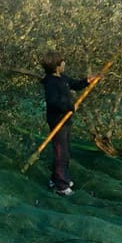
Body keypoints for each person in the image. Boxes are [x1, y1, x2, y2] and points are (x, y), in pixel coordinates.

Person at [40, 51, 94, 196]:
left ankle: (55, 178)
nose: (65, 63)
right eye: (62, 61)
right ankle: (61, 186)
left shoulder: (62, 77)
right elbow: (53, 102)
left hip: (66, 121)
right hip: (57, 121)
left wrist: (86, 81)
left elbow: (74, 84)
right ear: (57, 66)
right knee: (61, 153)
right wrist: (70, 107)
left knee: (65, 151)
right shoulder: (50, 82)